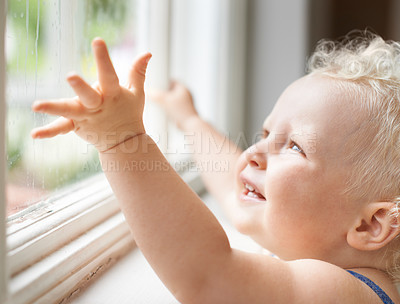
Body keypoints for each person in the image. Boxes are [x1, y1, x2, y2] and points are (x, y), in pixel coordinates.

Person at [31, 31, 400, 303]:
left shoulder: (349, 294)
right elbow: (232, 182)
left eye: (294, 146)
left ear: (369, 225)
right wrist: (190, 121)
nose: (254, 151)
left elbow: (209, 275)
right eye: (266, 132)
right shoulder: (317, 250)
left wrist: (122, 141)